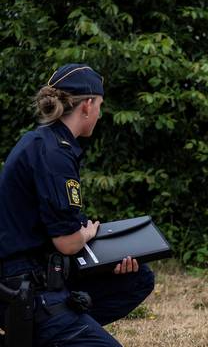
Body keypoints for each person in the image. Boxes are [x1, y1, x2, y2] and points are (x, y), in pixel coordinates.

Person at [0, 63, 155, 346]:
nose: (99, 113)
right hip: (26, 289)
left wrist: (107, 257)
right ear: (86, 106)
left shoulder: (44, 142)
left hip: (43, 273)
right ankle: (53, 330)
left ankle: (65, 329)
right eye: (99, 105)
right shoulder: (55, 153)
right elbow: (68, 243)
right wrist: (87, 233)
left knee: (139, 278)